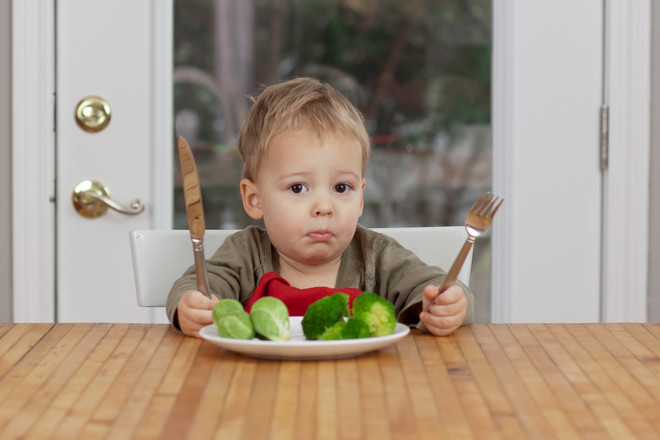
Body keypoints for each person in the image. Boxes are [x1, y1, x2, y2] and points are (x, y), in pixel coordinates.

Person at [167, 77, 473, 338]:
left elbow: (435, 287)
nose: (324, 207)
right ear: (254, 200)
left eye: (342, 188)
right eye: (298, 188)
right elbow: (196, 285)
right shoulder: (245, 254)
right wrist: (190, 305)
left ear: (361, 198)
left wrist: (447, 304)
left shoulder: (377, 256)